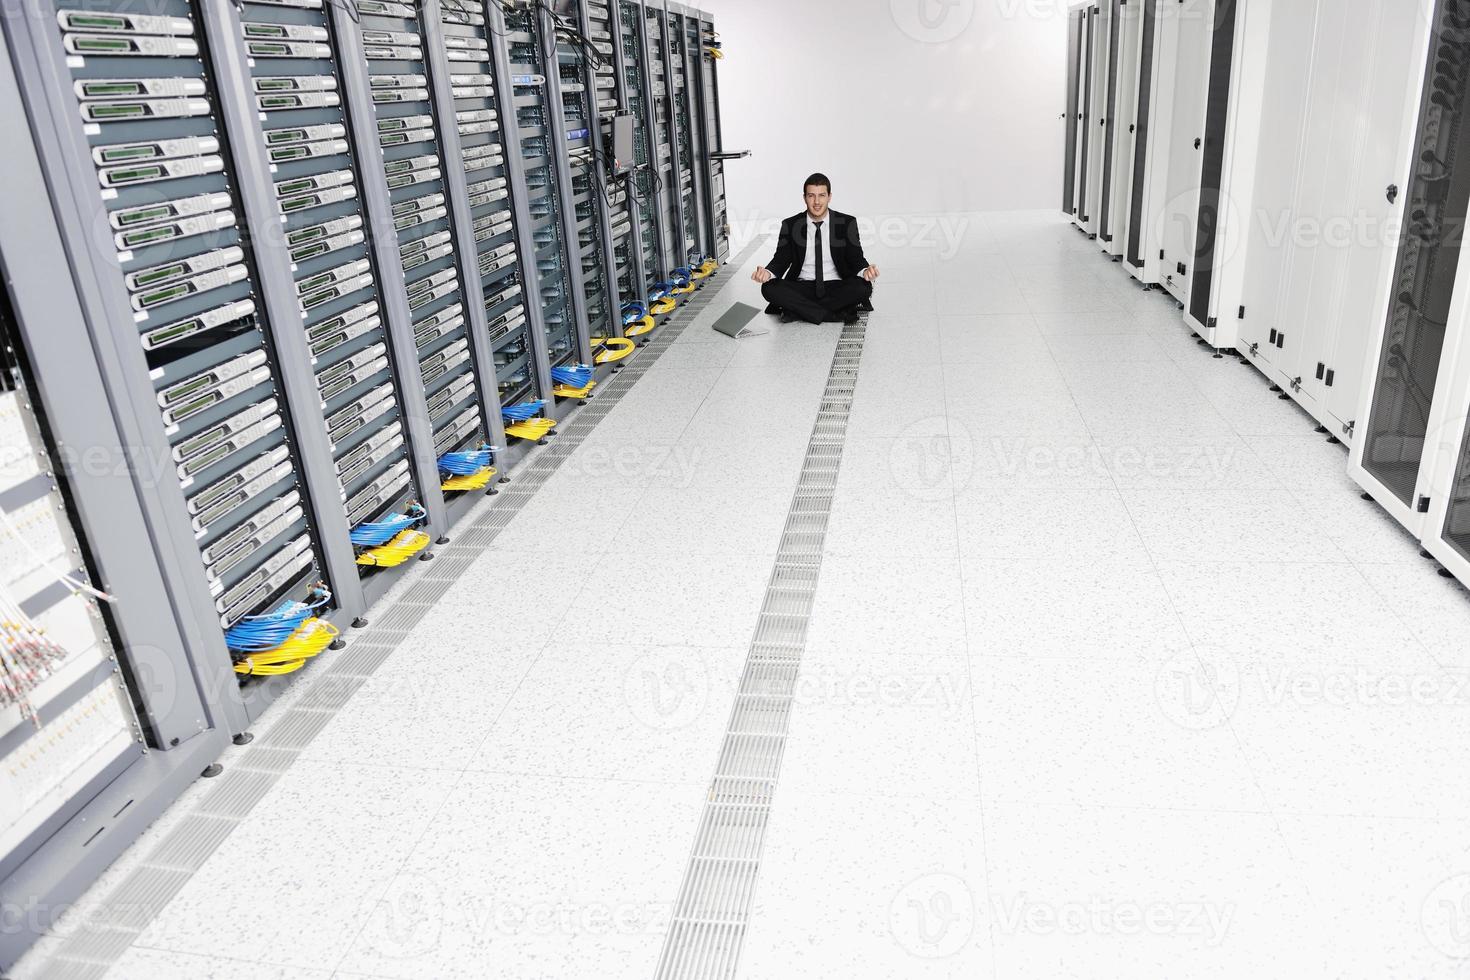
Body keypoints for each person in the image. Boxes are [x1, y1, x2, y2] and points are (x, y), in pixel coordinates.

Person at [751, 173, 880, 325]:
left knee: (863, 287)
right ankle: (832, 314)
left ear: (829, 197)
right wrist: (767, 273)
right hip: (803, 286)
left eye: (822, 195)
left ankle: (798, 311)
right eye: (811, 196)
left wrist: (865, 270)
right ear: (804, 197)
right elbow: (781, 260)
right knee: (769, 288)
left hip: (836, 285)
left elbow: (856, 258)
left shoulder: (847, 223)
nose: (817, 202)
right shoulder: (790, 225)